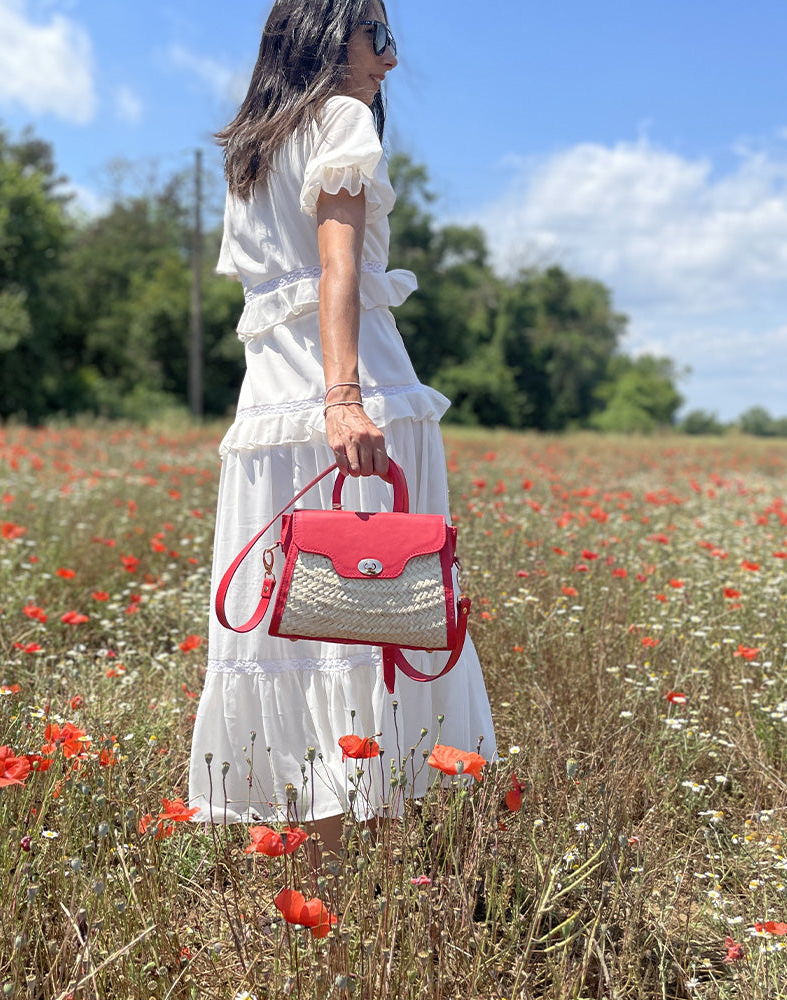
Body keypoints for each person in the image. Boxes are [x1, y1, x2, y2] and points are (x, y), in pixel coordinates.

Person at [188, 0, 496, 855]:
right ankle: (375, 892)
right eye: (380, 39)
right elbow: (336, 266)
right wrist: (344, 397)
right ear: (330, 37)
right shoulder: (341, 117)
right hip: (350, 409)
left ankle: (321, 882)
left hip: (268, 423)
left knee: (305, 634)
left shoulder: (254, 146)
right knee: (379, 633)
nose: (389, 63)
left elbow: (266, 298)